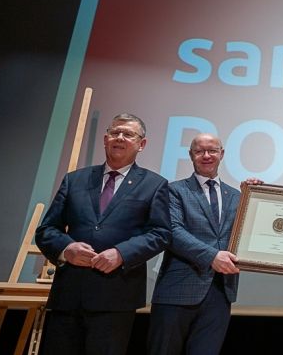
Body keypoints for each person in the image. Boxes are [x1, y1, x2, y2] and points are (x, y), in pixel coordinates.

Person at [35, 113, 171, 355]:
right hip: (69, 295)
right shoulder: (75, 180)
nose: (120, 137)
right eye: (115, 132)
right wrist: (67, 249)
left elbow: (160, 233)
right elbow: (46, 230)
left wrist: (121, 253)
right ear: (105, 139)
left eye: (128, 134)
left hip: (116, 297)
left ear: (142, 144)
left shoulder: (155, 184)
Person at [148, 133, 242, 354]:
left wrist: (256, 195)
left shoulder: (237, 196)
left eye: (212, 150)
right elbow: (173, 232)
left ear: (222, 154)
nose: (206, 156)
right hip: (177, 291)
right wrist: (211, 256)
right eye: (200, 151)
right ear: (191, 155)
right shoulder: (174, 190)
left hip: (220, 293)